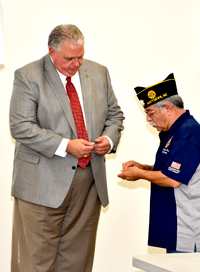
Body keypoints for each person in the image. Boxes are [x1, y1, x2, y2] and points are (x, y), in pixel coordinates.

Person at [10, 24, 124, 271]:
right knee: (36, 263)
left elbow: (115, 116)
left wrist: (109, 139)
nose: (76, 64)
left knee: (77, 261)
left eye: (80, 56)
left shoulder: (99, 72)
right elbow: (20, 126)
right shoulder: (28, 76)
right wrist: (65, 145)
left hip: (88, 183)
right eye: (69, 58)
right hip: (42, 184)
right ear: (52, 52)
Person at [118, 73, 200, 253]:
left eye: (150, 113)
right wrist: (144, 167)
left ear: (167, 108)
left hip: (190, 231)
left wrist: (140, 174)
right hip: (177, 226)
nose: (148, 119)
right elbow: (173, 168)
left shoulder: (188, 134)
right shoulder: (176, 132)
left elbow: (173, 179)